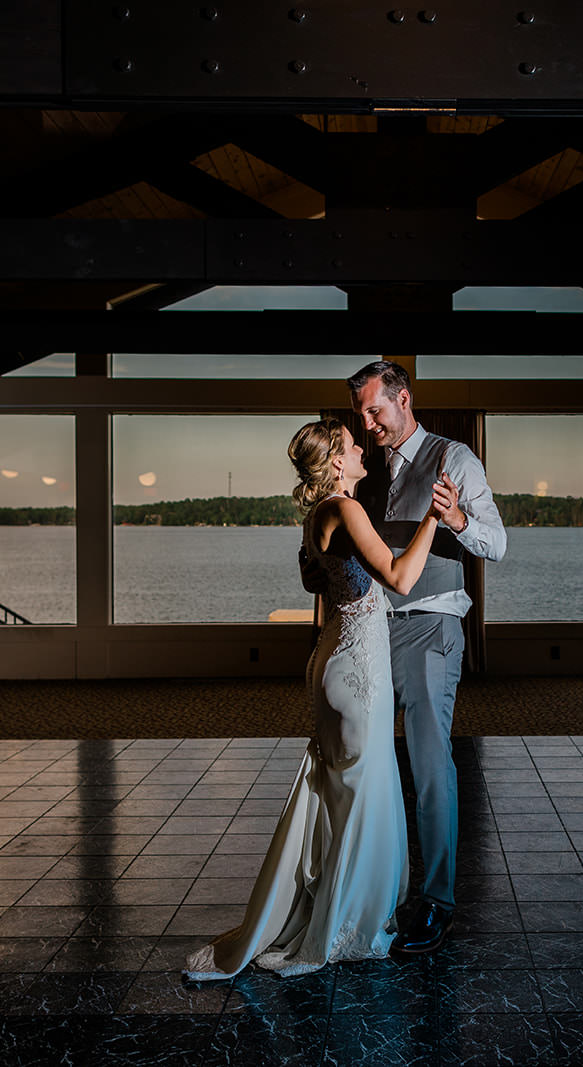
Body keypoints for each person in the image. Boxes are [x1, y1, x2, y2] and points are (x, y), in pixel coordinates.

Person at [184, 418, 452, 980]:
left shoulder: (318, 516)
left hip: (335, 659)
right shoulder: (345, 509)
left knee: (344, 786)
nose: (362, 449)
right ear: (334, 461)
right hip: (358, 670)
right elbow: (401, 578)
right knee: (365, 787)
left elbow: (315, 583)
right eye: (353, 446)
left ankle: (338, 902)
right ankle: (350, 917)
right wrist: (435, 516)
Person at [345, 360, 506, 956]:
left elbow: (499, 542)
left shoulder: (453, 458)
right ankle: (377, 887)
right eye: (361, 414)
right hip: (374, 631)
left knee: (429, 760)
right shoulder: (378, 467)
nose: (367, 423)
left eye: (374, 410)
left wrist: (458, 519)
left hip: (430, 626)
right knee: (371, 762)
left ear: (402, 399)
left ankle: (437, 902)